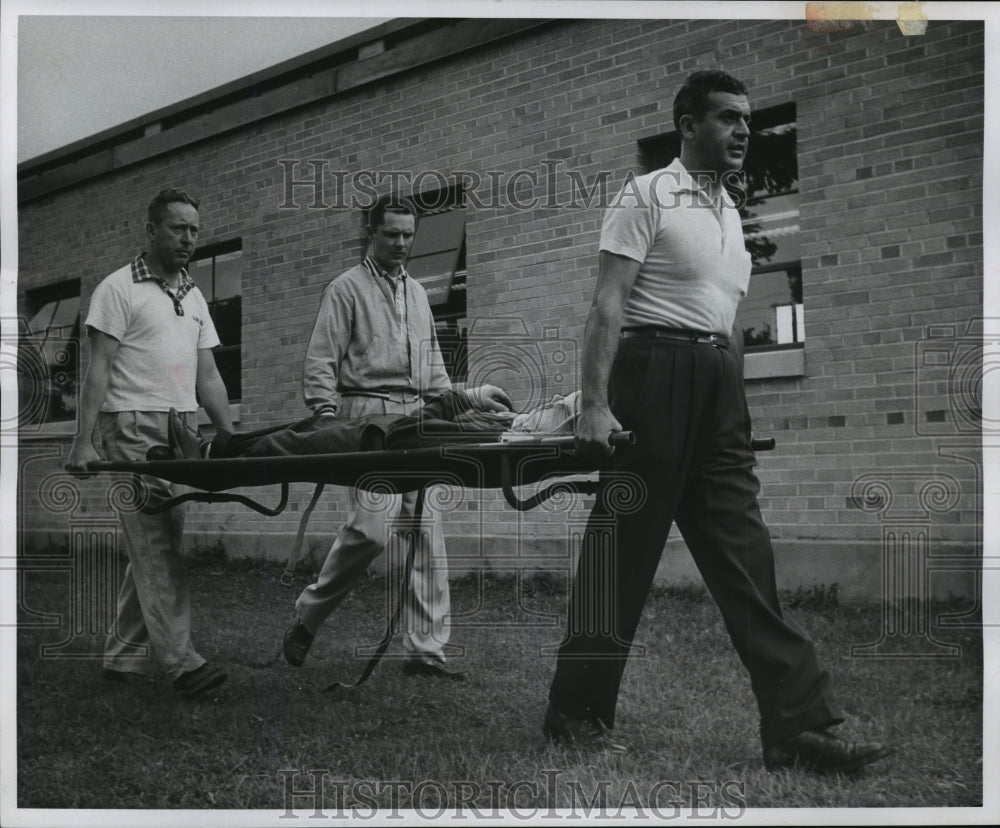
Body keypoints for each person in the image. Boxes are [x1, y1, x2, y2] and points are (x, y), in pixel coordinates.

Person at [542, 70, 892, 774]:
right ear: (687, 123)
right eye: (728, 118)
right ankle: (575, 714)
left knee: (746, 553)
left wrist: (731, 402)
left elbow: (726, 321)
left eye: (748, 122)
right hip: (651, 374)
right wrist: (594, 402)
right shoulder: (645, 196)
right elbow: (607, 304)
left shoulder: (732, 212)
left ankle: (797, 729)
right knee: (624, 553)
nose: (742, 132)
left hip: (716, 385)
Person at [282, 195, 510, 679]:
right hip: (365, 416)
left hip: (416, 416)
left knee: (425, 534)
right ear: (372, 232)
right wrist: (327, 420)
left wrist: (466, 400)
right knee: (371, 530)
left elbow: (435, 375)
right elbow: (321, 362)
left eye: (409, 235)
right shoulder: (345, 289)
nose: (402, 243)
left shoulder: (418, 295)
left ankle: (426, 652)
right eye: (392, 234)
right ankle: (308, 614)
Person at [66, 188, 232, 699]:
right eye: (178, 228)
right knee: (157, 545)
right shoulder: (118, 290)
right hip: (132, 428)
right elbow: (97, 369)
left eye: (195, 230)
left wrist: (227, 434)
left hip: (180, 430)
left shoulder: (194, 294)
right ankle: (183, 663)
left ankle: (122, 657)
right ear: (152, 230)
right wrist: (83, 442)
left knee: (156, 543)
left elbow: (208, 375)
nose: (188, 239)